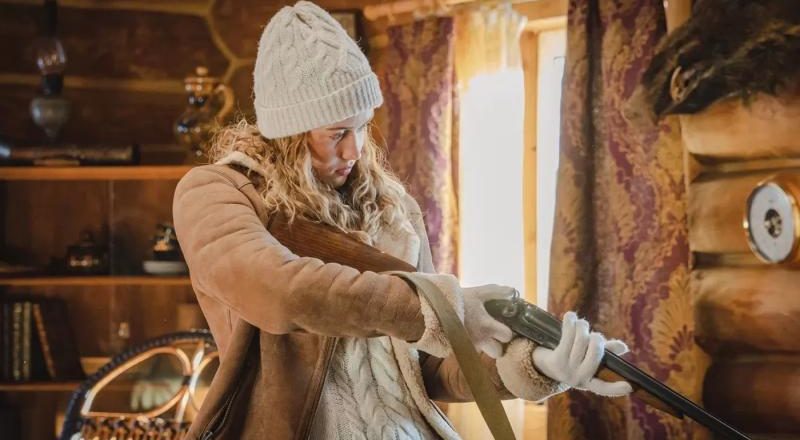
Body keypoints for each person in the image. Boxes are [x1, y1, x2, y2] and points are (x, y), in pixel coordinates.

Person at [172, 2, 632, 438]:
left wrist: (534, 366)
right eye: (337, 133)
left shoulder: (393, 210)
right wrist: (445, 308)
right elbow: (279, 291)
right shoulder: (215, 192)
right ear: (289, 133)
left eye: (361, 126)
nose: (355, 150)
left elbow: (429, 368)